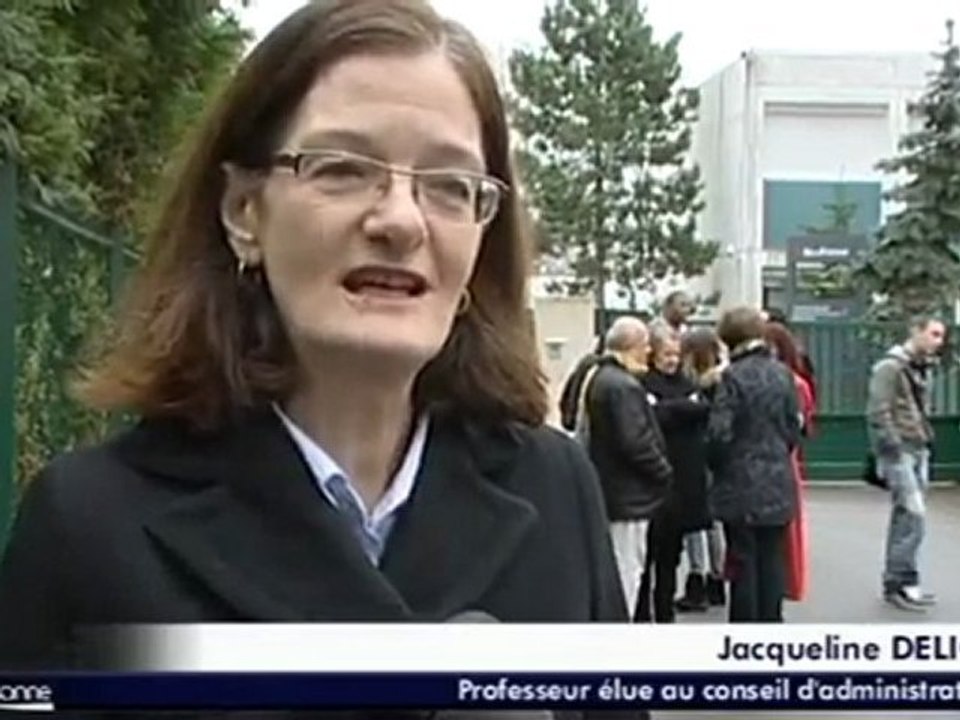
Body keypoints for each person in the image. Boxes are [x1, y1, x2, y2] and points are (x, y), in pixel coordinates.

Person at [0, 5, 635, 709]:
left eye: (451, 185)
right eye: (342, 169)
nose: (399, 220)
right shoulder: (89, 523)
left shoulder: (556, 490)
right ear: (244, 211)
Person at [707, 307, 801, 623]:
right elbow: (793, 428)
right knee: (772, 560)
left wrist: (715, 463)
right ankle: (771, 628)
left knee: (743, 562)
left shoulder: (732, 377)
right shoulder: (783, 373)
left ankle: (744, 635)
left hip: (739, 482)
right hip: (777, 480)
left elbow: (719, 434)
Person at [581, 317, 673, 616]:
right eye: (645, 345)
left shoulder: (597, 376)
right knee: (627, 570)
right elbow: (635, 441)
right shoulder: (623, 387)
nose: (649, 351)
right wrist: (663, 471)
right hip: (627, 495)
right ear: (631, 346)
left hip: (610, 488)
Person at [867, 316, 946, 612]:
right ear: (916, 332)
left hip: (918, 447)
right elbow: (878, 411)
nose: (939, 341)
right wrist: (894, 447)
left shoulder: (920, 367)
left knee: (907, 516)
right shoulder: (890, 367)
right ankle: (900, 581)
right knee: (913, 514)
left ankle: (900, 581)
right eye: (934, 334)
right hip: (901, 451)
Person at [637, 331, 710, 623]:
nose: (672, 361)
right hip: (652, 485)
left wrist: (667, 407)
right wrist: (684, 407)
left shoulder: (688, 383)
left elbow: (703, 409)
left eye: (676, 355)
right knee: (645, 559)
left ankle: (665, 614)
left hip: (682, 486)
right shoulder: (642, 383)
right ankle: (641, 615)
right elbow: (655, 416)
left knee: (670, 559)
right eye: (666, 354)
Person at [674, 329, 727, 612]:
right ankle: (717, 579)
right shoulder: (725, 381)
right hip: (718, 457)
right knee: (714, 521)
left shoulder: (693, 384)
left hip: (695, 454)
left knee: (695, 521)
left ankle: (697, 579)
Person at [763, 322, 816, 603]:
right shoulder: (797, 384)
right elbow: (803, 425)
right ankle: (786, 582)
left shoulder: (791, 384)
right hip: (786, 460)